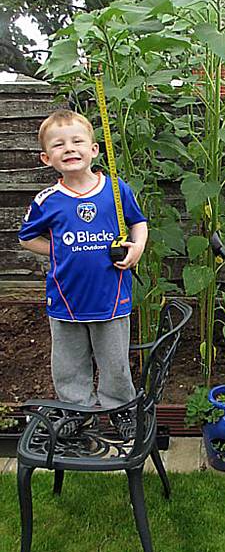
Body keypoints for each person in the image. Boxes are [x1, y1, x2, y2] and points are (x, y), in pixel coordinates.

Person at [18, 109, 148, 441]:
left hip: (111, 297)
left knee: (115, 362)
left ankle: (120, 410)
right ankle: (77, 410)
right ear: (47, 158)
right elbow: (26, 237)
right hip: (65, 300)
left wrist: (137, 248)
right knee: (69, 364)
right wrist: (58, 250)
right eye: (59, 145)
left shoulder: (115, 190)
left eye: (77, 141)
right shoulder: (47, 201)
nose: (70, 148)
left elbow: (138, 222)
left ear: (93, 150)